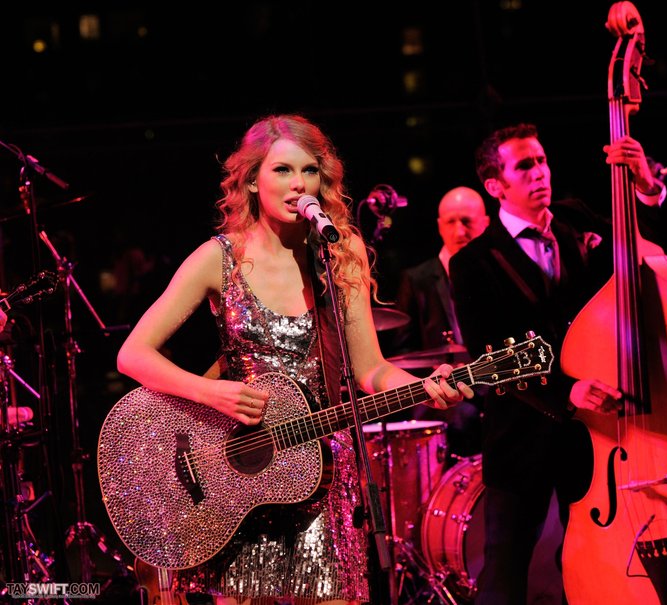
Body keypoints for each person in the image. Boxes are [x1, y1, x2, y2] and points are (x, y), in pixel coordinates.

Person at [115, 113, 473, 605]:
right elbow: (132, 354)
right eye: (282, 170)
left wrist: (425, 387)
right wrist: (211, 391)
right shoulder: (219, 258)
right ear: (252, 180)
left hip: (322, 478)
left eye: (309, 171)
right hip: (240, 483)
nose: (297, 184)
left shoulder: (339, 253)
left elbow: (372, 368)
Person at [449, 122, 665, 605]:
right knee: (504, 577)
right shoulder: (473, 263)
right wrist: (563, 390)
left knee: (593, 568)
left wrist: (646, 188)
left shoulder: (575, 219)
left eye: (541, 160)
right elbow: (488, 356)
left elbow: (649, 258)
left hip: (595, 434)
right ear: (495, 185)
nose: (539, 172)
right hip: (520, 436)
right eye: (524, 166)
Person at [392, 186, 489, 459]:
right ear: (439, 226)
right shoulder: (416, 279)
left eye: (467, 221)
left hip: (491, 388)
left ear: (486, 223)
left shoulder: (498, 274)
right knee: (461, 419)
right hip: (440, 396)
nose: (460, 231)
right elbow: (403, 353)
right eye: (451, 222)